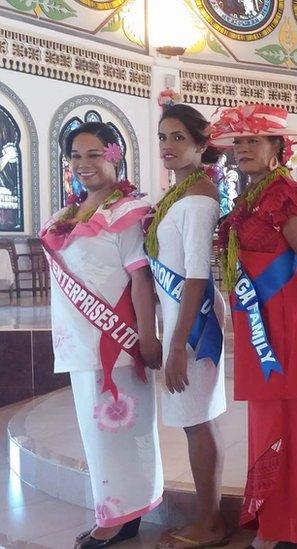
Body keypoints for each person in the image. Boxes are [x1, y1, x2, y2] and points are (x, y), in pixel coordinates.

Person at [211, 104, 297, 549]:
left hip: (283, 319)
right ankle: (274, 514)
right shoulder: (250, 196)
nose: (242, 149)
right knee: (266, 418)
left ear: (278, 148)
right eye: (238, 142)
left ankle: (286, 521)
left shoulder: (285, 194)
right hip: (255, 316)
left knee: (289, 420)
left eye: (253, 141)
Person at [40, 122, 162, 549]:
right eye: (75, 155)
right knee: (96, 436)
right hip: (77, 342)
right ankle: (117, 511)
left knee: (124, 434)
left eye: (94, 154)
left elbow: (141, 282)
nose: (83, 163)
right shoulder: (64, 216)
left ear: (115, 156)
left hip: (118, 344)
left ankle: (120, 515)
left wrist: (148, 337)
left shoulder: (129, 213)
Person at [149, 104, 230, 549]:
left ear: (202, 144)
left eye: (179, 137)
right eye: (163, 137)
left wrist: (176, 344)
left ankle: (211, 523)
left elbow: (197, 274)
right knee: (195, 420)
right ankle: (209, 516)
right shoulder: (177, 194)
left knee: (197, 419)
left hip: (192, 322)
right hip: (179, 316)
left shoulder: (198, 198)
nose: (167, 146)